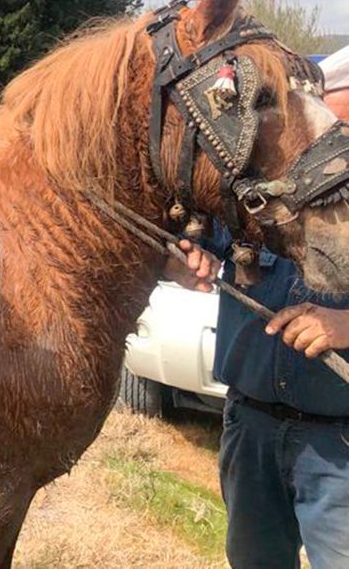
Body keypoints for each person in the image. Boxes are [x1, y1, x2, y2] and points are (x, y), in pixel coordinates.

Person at [166, 51, 349, 568]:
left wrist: (343, 325)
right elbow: (192, 246)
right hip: (250, 429)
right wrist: (183, 262)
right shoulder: (259, 190)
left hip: (338, 444)